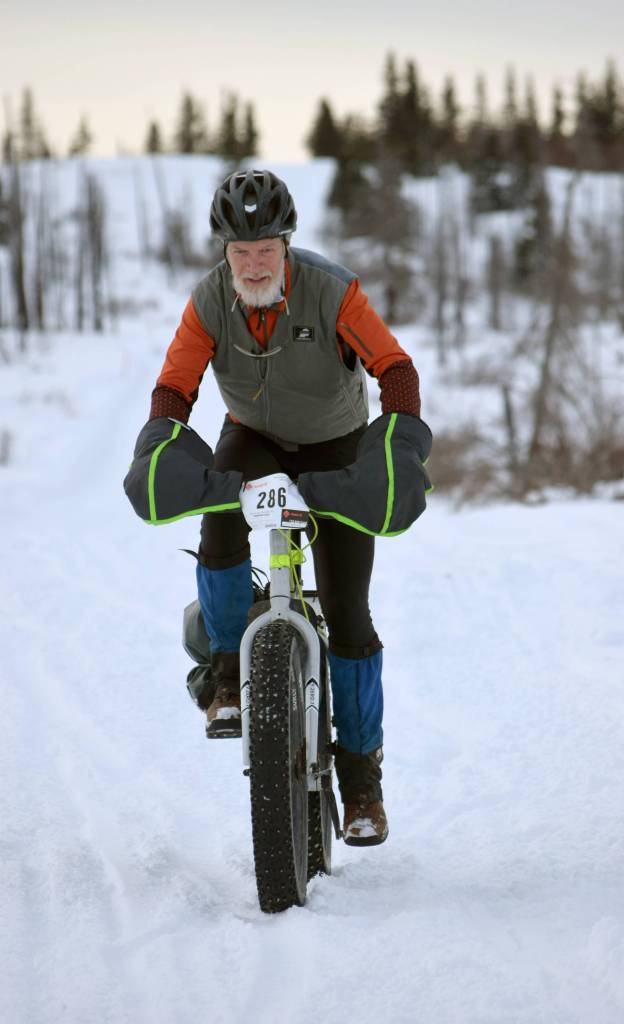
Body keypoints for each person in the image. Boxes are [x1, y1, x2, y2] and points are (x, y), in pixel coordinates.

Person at [145, 168, 427, 847]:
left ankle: (361, 782)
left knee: (349, 615)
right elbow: (175, 385)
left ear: (285, 243)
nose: (251, 264)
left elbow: (395, 369)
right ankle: (225, 677)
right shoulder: (210, 301)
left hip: (335, 446)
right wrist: (158, 442)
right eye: (239, 252)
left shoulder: (333, 291)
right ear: (223, 251)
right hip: (256, 439)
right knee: (220, 520)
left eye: (264, 249)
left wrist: (395, 442)